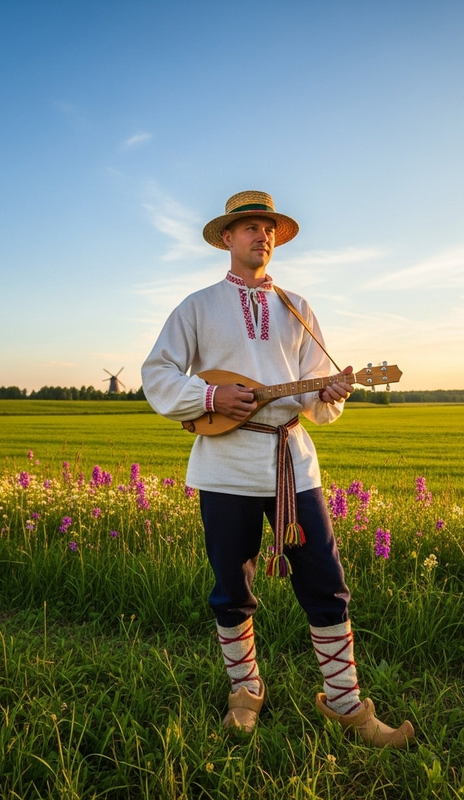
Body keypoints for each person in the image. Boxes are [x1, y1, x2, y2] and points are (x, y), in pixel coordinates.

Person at [140, 190, 414, 748]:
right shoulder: (197, 306)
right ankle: (245, 693)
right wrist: (211, 396)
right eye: (248, 228)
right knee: (230, 589)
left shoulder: (298, 307)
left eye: (267, 228)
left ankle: (347, 706)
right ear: (226, 238)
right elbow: (157, 374)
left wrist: (333, 390)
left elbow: (319, 396)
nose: (260, 236)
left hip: (293, 465)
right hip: (224, 469)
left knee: (326, 583)